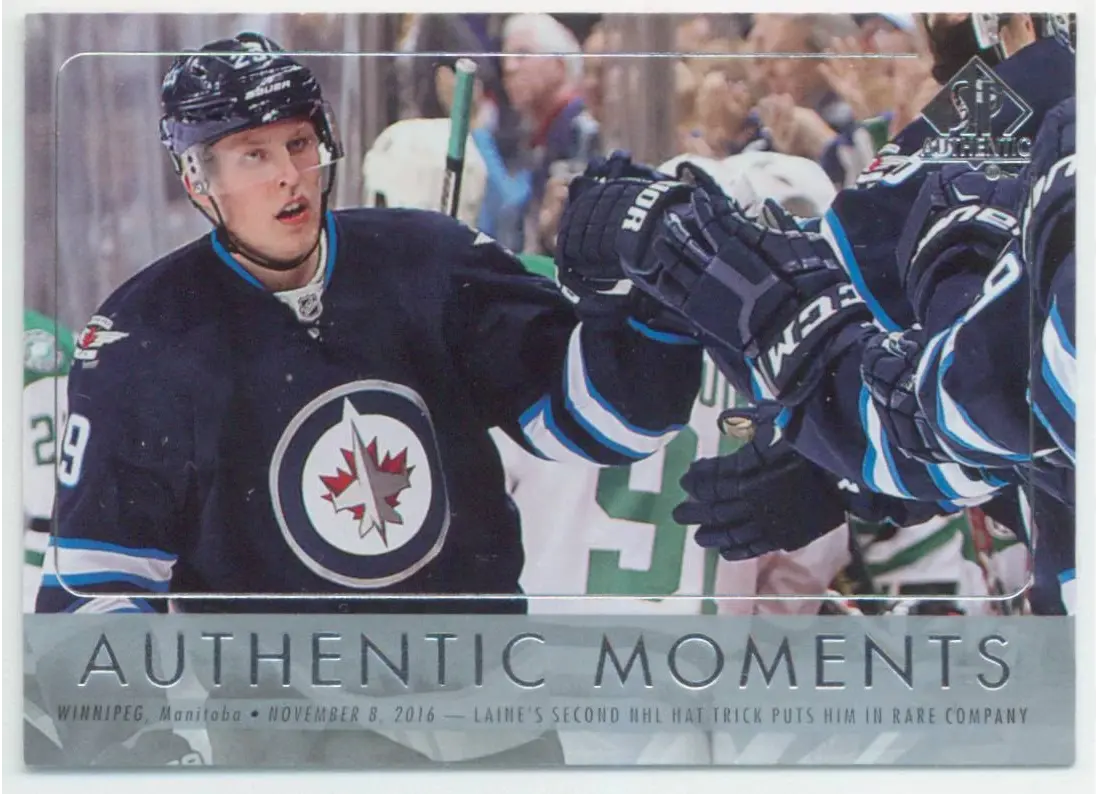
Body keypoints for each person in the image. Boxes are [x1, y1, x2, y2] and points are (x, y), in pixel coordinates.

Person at [37, 32, 702, 618]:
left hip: (475, 689)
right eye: (253, 156)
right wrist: (145, 711)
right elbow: (92, 586)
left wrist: (644, 308)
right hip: (270, 707)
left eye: (299, 144)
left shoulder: (432, 262)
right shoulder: (143, 335)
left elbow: (608, 423)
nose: (290, 176)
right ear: (196, 179)